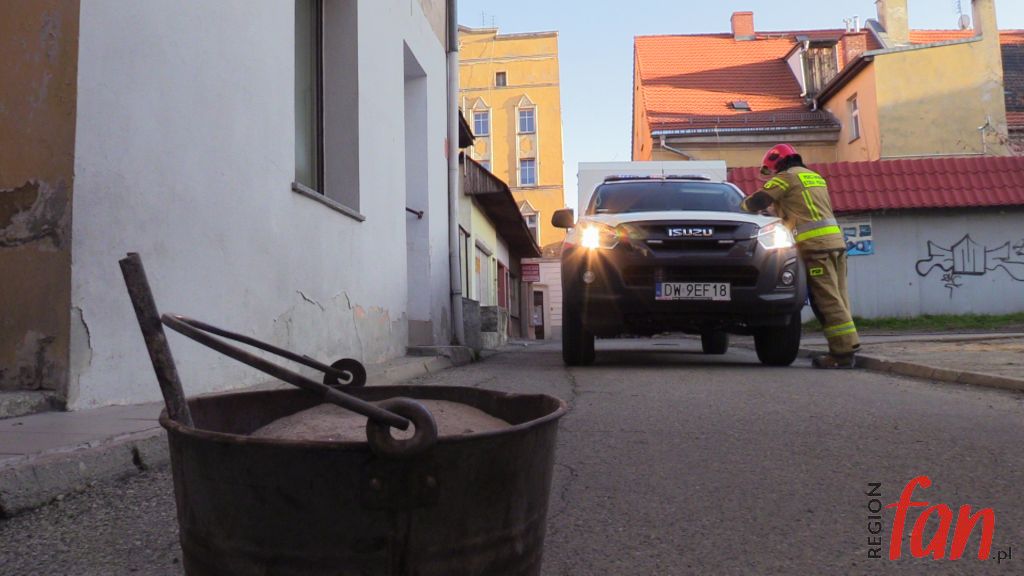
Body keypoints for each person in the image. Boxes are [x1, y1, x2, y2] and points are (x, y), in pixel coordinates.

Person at [741, 144, 859, 368]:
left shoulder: (786, 178)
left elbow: (757, 201)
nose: (772, 174)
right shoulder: (814, 177)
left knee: (826, 301)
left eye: (771, 170)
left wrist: (741, 206)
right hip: (836, 244)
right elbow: (802, 208)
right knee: (839, 298)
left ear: (777, 164)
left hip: (815, 247)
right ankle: (848, 345)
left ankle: (842, 354)